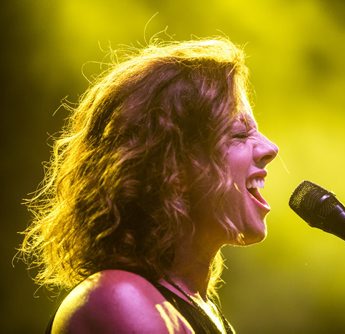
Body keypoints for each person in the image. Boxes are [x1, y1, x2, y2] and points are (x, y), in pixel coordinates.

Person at [19, 37, 279, 333]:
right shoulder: (120, 297)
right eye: (239, 134)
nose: (270, 148)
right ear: (173, 167)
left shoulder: (201, 312)